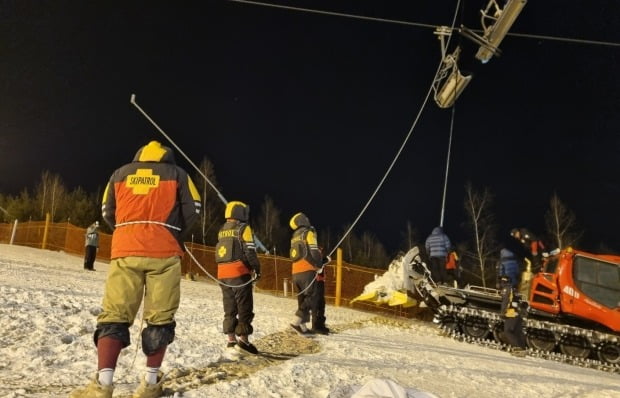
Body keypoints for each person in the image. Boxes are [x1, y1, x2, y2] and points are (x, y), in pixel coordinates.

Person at [70, 140, 201, 398]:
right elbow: (194, 209)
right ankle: (150, 385)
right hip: (164, 252)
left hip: (125, 251)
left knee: (114, 314)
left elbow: (108, 210)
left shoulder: (119, 173)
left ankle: (102, 385)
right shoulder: (178, 174)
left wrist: (127, 231)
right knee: (160, 319)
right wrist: (174, 234)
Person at [215, 200, 261, 354]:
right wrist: (256, 269)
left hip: (222, 274)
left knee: (229, 307)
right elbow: (249, 251)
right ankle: (244, 341)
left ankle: (231, 340)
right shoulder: (243, 228)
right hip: (239, 273)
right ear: (240, 213)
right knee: (244, 307)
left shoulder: (222, 229)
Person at [288, 212, 325, 335]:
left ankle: (303, 328)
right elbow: (314, 251)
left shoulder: (294, 236)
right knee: (312, 297)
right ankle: (296, 322)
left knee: (302, 299)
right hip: (307, 271)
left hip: (295, 272)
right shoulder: (308, 233)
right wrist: (319, 265)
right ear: (302, 220)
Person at [499, 275, 527, 356]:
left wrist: (503, 312)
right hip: (518, 313)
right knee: (517, 332)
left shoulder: (506, 289)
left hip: (511, 313)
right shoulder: (514, 290)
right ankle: (522, 348)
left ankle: (518, 348)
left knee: (508, 331)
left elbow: (506, 301)